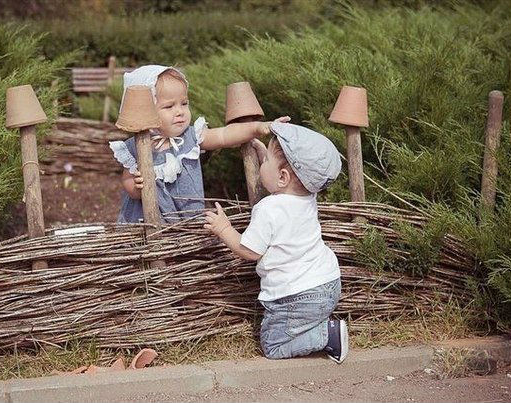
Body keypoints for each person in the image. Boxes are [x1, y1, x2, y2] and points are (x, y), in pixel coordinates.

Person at [204, 121, 348, 363]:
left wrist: (224, 228)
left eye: (266, 162)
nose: (262, 165)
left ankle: (328, 335)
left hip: (297, 295)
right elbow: (286, 183)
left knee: (273, 344)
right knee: (293, 326)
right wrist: (267, 157)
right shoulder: (307, 197)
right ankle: (317, 325)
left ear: (283, 177)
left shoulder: (269, 208)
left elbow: (249, 250)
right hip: (328, 282)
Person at [110, 65, 288, 223]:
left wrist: (258, 127)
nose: (180, 111)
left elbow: (224, 135)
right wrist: (135, 187)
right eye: (169, 106)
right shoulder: (137, 146)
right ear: (145, 109)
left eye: (184, 103)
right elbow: (127, 179)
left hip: (188, 218)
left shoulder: (191, 137)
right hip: (149, 220)